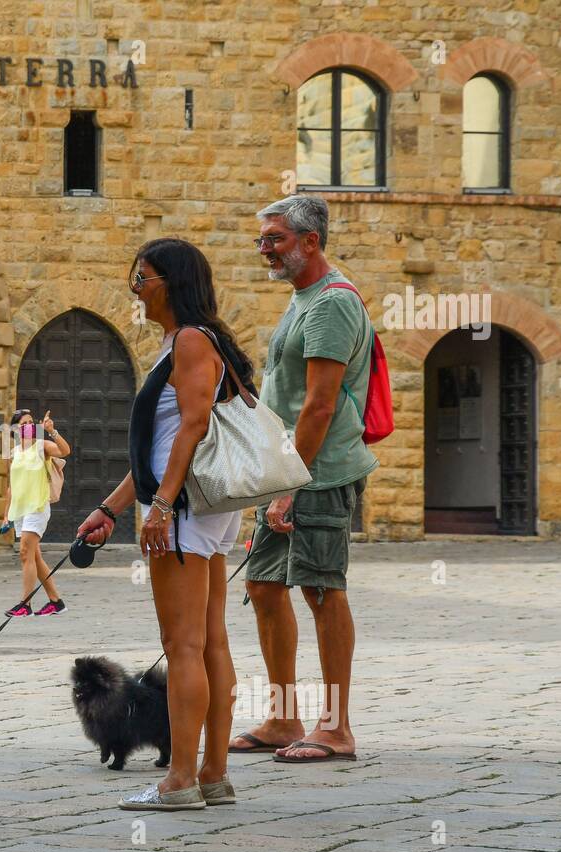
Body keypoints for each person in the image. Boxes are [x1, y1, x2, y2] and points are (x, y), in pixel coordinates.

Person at [76, 238, 257, 811]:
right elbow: (157, 446)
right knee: (209, 644)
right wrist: (111, 508)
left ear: (171, 283)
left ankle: (180, 779)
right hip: (199, 507)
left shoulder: (190, 340)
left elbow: (194, 426)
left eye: (143, 277)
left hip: (183, 510)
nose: (135, 287)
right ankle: (213, 774)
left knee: (182, 645)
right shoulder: (195, 341)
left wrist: (161, 506)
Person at [233, 195, 378, 763]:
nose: (265, 250)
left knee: (321, 589)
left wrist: (291, 484)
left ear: (310, 242)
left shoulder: (332, 305)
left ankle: (336, 728)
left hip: (316, 476)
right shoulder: (302, 299)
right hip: (286, 473)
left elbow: (319, 407)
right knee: (263, 586)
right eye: (262, 240)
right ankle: (283, 715)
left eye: (275, 240)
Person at [1, 408, 71, 616]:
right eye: (23, 424)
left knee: (25, 553)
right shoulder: (14, 454)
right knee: (35, 557)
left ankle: (25, 604)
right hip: (20, 511)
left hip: (37, 507)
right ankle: (56, 602)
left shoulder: (43, 446)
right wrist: (6, 515)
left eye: (31, 422)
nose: (29, 426)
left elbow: (65, 451)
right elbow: (11, 487)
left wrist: (53, 431)